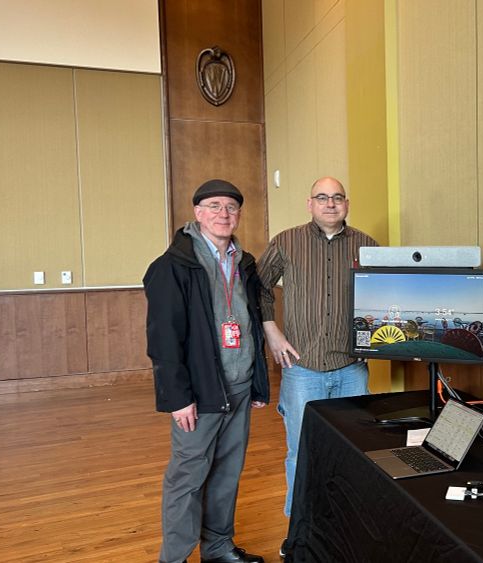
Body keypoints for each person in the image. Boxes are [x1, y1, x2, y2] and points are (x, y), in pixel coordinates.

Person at [144, 179, 269, 563]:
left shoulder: (244, 263)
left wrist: (258, 384)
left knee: (227, 474)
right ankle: (175, 558)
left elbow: (253, 321)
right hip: (199, 392)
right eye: (214, 206)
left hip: (240, 385)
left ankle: (217, 548)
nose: (223, 214)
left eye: (230, 207)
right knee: (188, 478)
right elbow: (163, 340)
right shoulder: (173, 267)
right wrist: (178, 398)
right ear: (197, 213)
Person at [257, 177, 378, 523]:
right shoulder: (286, 241)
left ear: (347, 204)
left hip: (351, 368)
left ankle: (345, 524)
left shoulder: (367, 246)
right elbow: (259, 287)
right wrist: (272, 332)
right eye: (322, 197)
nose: (330, 203)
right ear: (309, 204)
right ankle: (299, 526)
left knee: (352, 451)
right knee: (301, 452)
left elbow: (385, 295)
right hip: (302, 367)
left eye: (337, 197)